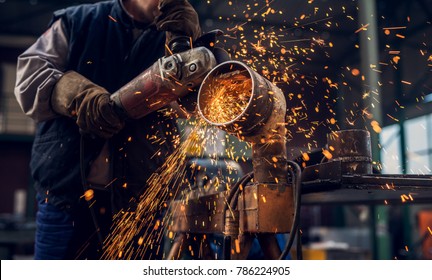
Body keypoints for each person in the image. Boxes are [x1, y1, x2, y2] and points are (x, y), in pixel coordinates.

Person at [14, 0, 202, 260]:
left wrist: (194, 45)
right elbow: (29, 79)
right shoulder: (78, 21)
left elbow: (204, 102)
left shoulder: (181, 35)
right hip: (66, 200)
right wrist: (75, 96)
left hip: (140, 206)